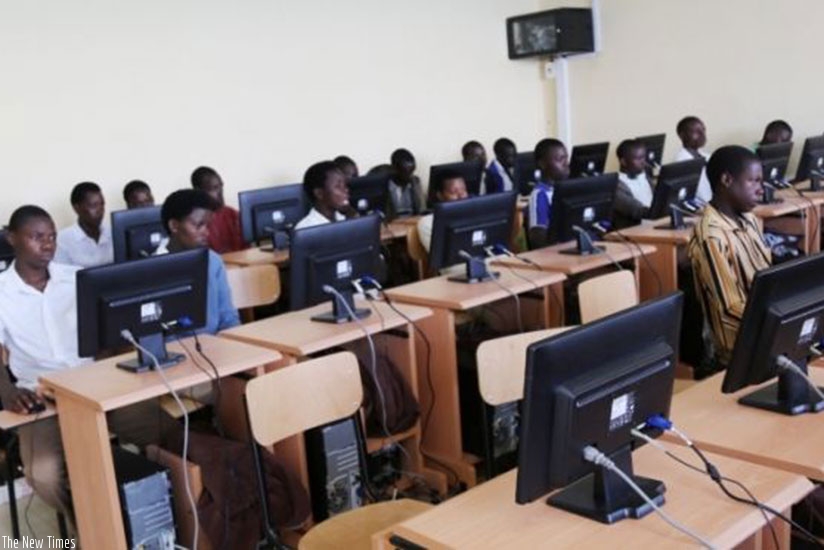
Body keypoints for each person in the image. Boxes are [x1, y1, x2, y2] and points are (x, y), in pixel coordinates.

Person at [0, 206, 163, 529]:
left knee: (166, 430)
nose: (47, 245)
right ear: (11, 238)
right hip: (40, 394)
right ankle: (94, 527)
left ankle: (159, 512)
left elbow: (110, 331)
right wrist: (7, 393)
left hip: (94, 383)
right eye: (36, 237)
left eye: (51, 237)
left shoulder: (77, 278)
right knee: (44, 475)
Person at [688, 145, 771, 371]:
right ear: (726, 180)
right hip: (736, 353)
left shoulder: (750, 219)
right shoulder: (711, 237)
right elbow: (731, 308)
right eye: (753, 181)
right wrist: (776, 322)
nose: (761, 189)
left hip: (763, 333)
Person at [158, 189, 240, 334]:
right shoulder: (152, 269)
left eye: (208, 226)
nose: (206, 232)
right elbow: (155, 334)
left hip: (217, 346)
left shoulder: (213, 260)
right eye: (198, 225)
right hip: (176, 352)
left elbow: (228, 317)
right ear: (174, 226)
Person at [55, 181, 114, 267]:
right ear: (76, 208)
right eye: (94, 206)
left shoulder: (113, 232)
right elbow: (63, 277)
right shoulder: (62, 240)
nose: (100, 210)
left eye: (102, 204)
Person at [190, 166, 244, 254]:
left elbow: (247, 249)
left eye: (221, 187)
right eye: (214, 188)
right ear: (199, 192)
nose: (220, 193)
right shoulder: (194, 222)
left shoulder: (232, 214)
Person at [527, 138, 569, 248]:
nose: (566, 164)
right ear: (542, 164)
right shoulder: (540, 194)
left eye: (566, 158)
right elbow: (537, 238)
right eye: (560, 159)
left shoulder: (566, 189)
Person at [417, 169, 469, 253]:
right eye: (454, 192)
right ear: (440, 195)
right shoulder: (428, 223)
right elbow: (440, 256)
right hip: (456, 265)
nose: (461, 196)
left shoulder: (473, 216)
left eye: (463, 190)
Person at [294, 161, 354, 230]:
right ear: (319, 193)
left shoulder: (344, 219)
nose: (346, 190)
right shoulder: (305, 229)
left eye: (345, 185)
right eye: (338, 186)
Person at [613, 139, 654, 228]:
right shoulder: (617, 186)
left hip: (652, 224)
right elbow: (638, 211)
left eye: (643, 157)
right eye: (638, 158)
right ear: (623, 161)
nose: (643, 162)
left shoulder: (645, 176)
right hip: (635, 230)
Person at [674, 116, 713, 203]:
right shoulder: (682, 162)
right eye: (697, 132)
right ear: (682, 135)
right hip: (700, 210)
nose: (703, 135)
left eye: (703, 130)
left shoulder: (706, 156)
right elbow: (682, 196)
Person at [387, 148, 426, 218]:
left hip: (412, 222)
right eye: (406, 173)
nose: (410, 176)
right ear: (395, 169)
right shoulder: (385, 186)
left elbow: (421, 210)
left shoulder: (415, 182)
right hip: (393, 225)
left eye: (412, 171)